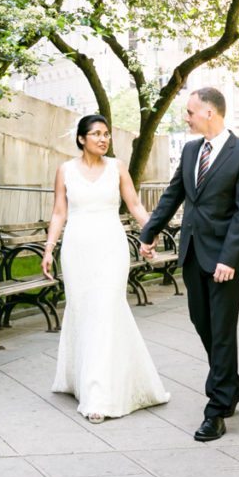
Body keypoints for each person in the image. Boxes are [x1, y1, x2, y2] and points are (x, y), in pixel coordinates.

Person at [140, 87, 239, 443]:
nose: (186, 117)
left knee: (222, 330)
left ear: (209, 112)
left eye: (190, 111)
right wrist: (148, 233)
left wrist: (229, 258)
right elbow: (173, 194)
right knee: (202, 322)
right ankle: (231, 384)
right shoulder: (192, 149)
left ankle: (217, 408)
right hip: (192, 252)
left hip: (225, 259)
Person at [41, 114, 170, 423]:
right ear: (82, 139)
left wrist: (149, 235)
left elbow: (136, 206)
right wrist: (48, 249)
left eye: (107, 134)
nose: (103, 139)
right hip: (76, 250)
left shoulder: (117, 168)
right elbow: (59, 213)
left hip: (111, 248)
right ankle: (79, 379)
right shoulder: (65, 171)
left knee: (106, 310)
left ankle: (98, 395)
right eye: (96, 134)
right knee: (84, 312)